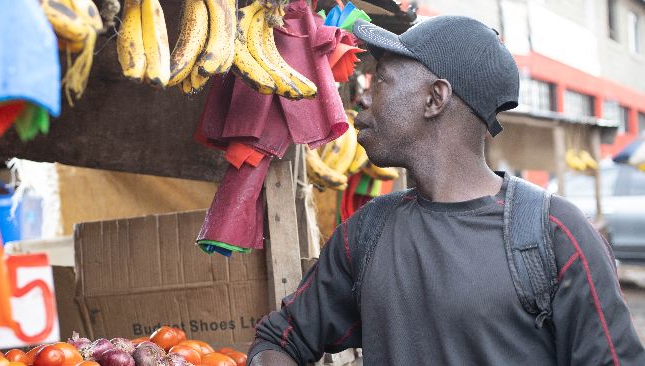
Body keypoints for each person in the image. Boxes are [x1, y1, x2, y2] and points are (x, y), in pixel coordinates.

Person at [246, 15, 645, 365]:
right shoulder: (363, 235)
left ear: (435, 98)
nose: (361, 97)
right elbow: (278, 341)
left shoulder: (555, 235)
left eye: (381, 79)